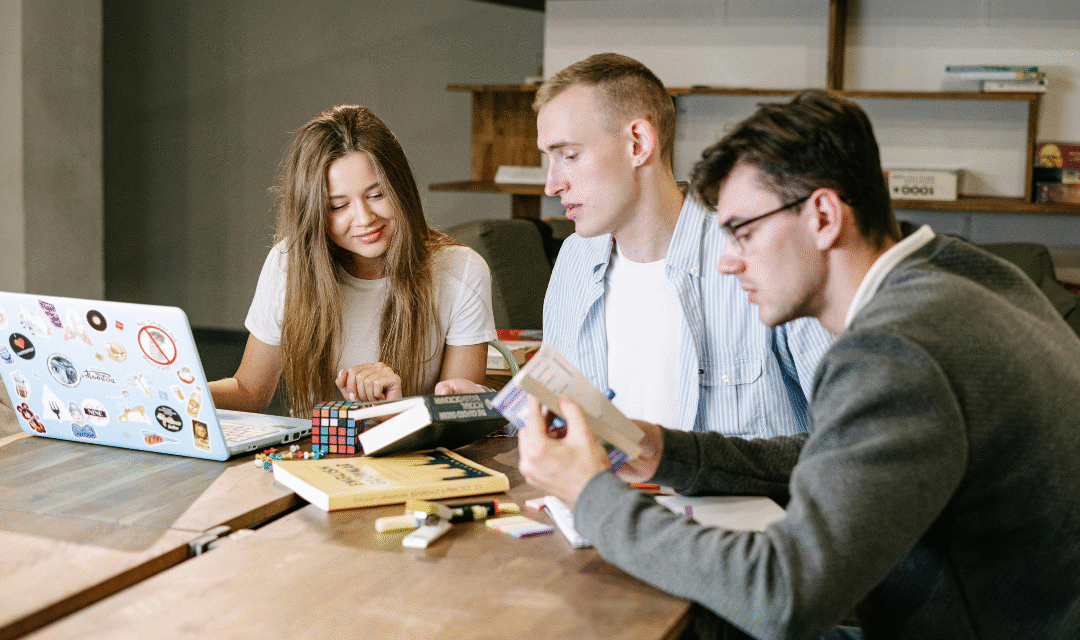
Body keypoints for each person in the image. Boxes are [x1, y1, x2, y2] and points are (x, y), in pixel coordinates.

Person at [518, 89, 1080, 639]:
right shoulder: (964, 272)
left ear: (823, 217)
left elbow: (781, 595)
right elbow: (837, 456)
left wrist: (593, 496)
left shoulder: (894, 351)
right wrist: (667, 451)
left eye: (745, 232)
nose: (730, 262)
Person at [535, 53, 831, 435]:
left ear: (638, 143)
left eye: (569, 156)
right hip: (606, 494)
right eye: (548, 160)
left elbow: (849, 439)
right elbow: (557, 415)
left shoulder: (761, 253)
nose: (551, 184)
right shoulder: (575, 257)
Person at [209, 105, 495, 418]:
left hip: (414, 464)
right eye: (338, 206)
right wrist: (176, 392)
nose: (364, 219)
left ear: (401, 187)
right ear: (314, 213)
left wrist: (390, 412)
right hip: (311, 459)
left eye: (377, 194)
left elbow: (460, 416)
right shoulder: (288, 263)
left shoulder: (462, 270)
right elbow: (250, 393)